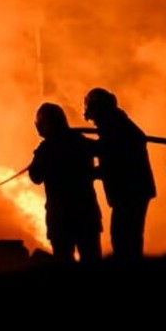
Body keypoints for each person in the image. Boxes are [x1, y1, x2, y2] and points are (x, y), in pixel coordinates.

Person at [82, 87, 157, 261]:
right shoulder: (117, 125)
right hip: (132, 191)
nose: (94, 122)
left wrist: (80, 145)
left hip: (130, 192)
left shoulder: (116, 128)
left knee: (124, 239)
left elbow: (110, 156)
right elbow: (108, 155)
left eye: (93, 117)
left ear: (99, 110)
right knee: (126, 238)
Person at [28, 102, 104, 265]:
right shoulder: (80, 142)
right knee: (92, 262)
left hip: (60, 217)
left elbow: (35, 177)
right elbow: (105, 151)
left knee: (63, 264)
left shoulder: (46, 149)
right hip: (86, 212)